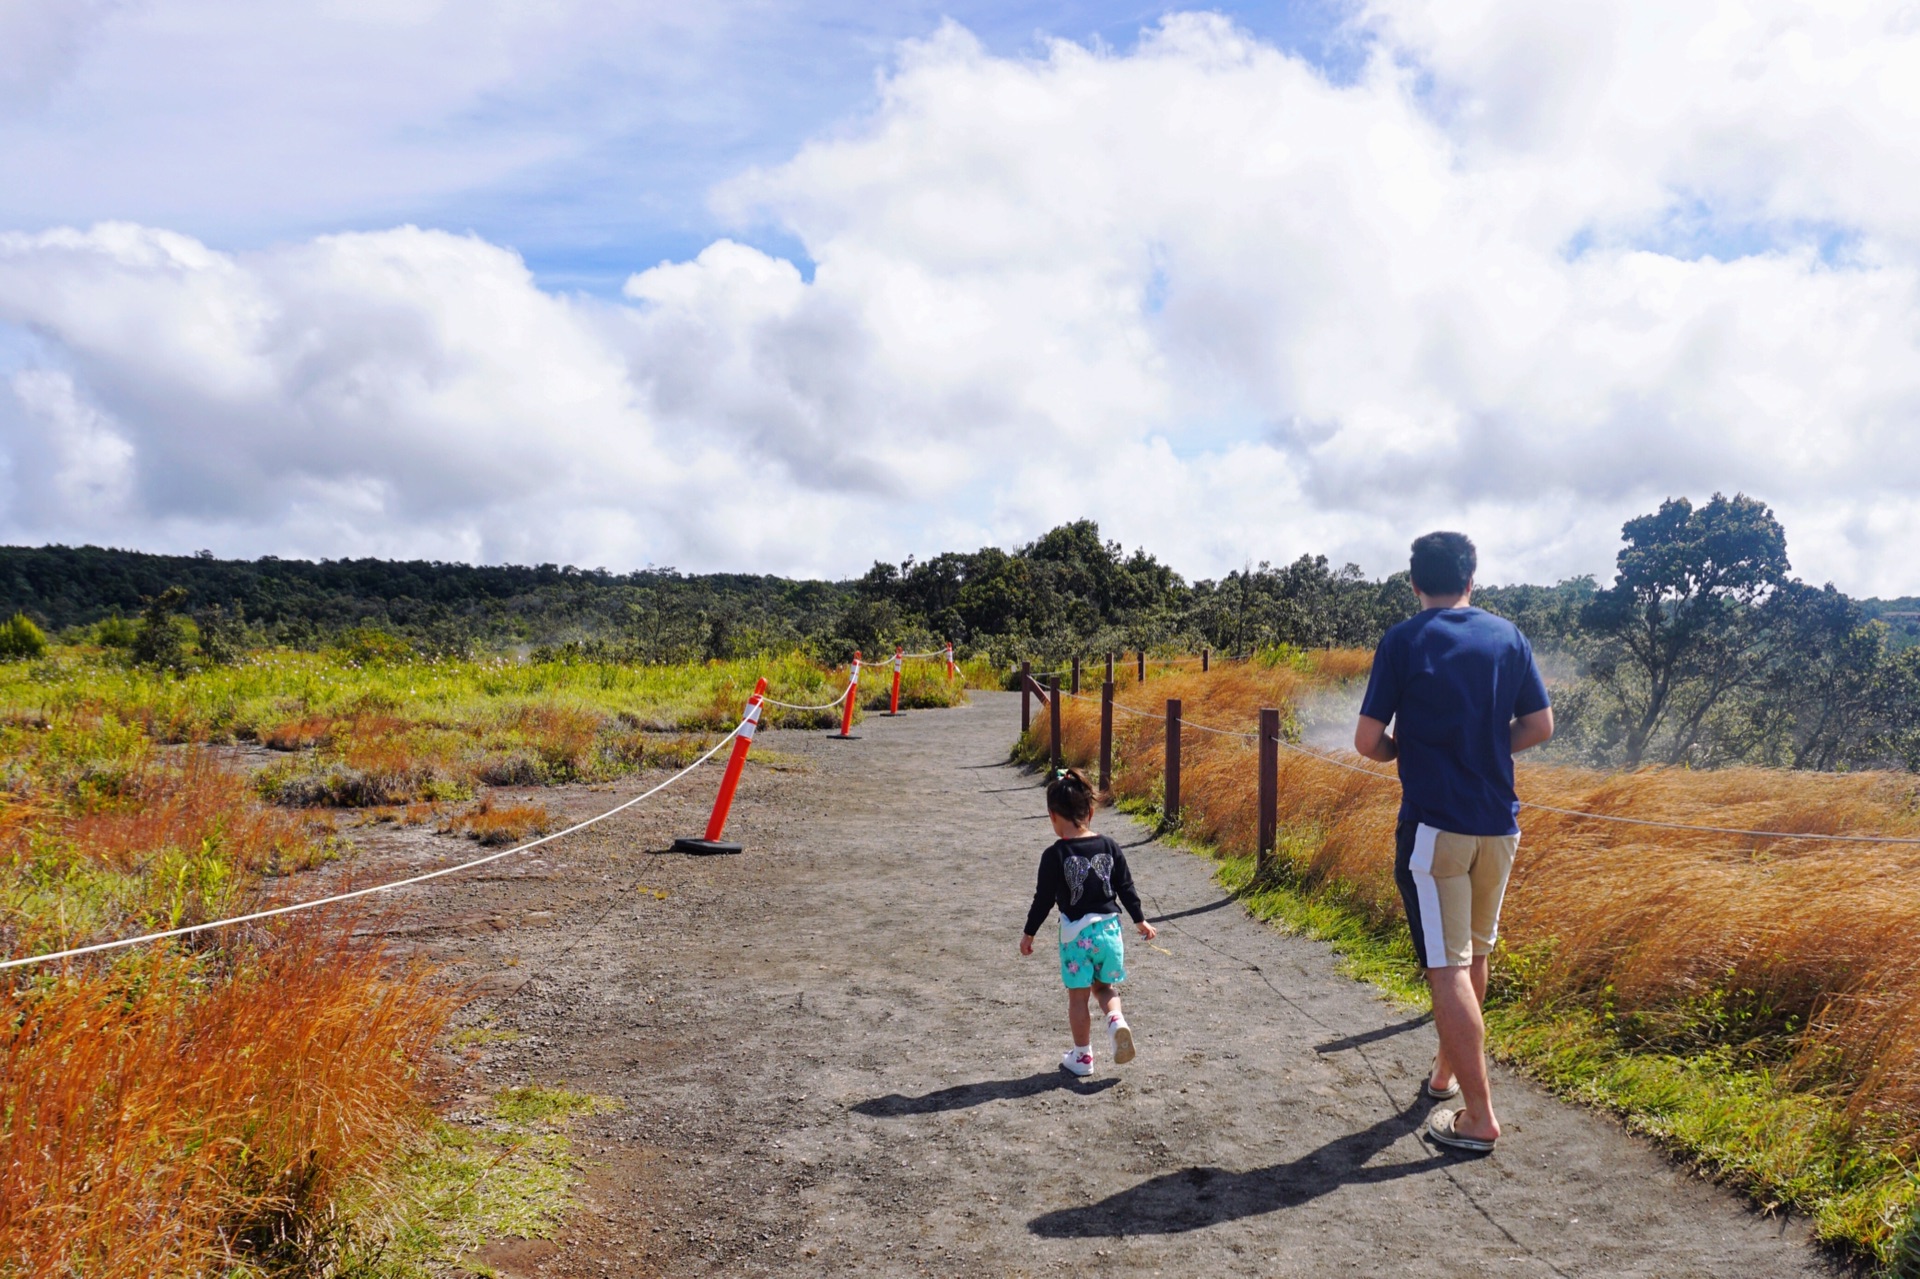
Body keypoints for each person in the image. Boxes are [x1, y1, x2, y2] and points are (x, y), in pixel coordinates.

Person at [1354, 531, 1554, 1154]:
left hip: (1434, 827)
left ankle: (1479, 1117)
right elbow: (1540, 725)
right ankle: (1443, 1076)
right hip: (1499, 825)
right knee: (1474, 954)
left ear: (1414, 582)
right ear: (1473, 577)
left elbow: (1366, 739)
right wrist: (1488, 750)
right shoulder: (1507, 636)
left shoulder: (1404, 640)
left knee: (1446, 967)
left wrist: (1403, 753)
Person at [1019, 768, 1158, 1076]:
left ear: (1053, 816)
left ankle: (1083, 1058)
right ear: (1091, 812)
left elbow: (1043, 899)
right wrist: (1140, 920)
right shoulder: (1109, 846)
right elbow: (1126, 887)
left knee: (1079, 996)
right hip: (1110, 932)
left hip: (1075, 936)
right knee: (1105, 988)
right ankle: (1116, 1022)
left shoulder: (1054, 855)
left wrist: (1029, 933)